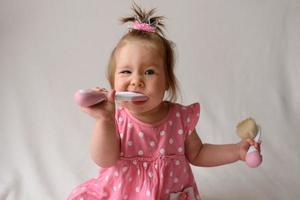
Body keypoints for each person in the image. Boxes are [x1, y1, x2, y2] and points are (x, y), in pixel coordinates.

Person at [68, 4, 261, 200]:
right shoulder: (115, 120)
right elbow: (104, 159)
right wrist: (104, 120)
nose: (136, 81)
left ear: (167, 81)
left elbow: (199, 153)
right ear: (113, 83)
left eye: (149, 72)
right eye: (126, 72)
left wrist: (237, 151)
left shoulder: (180, 118)